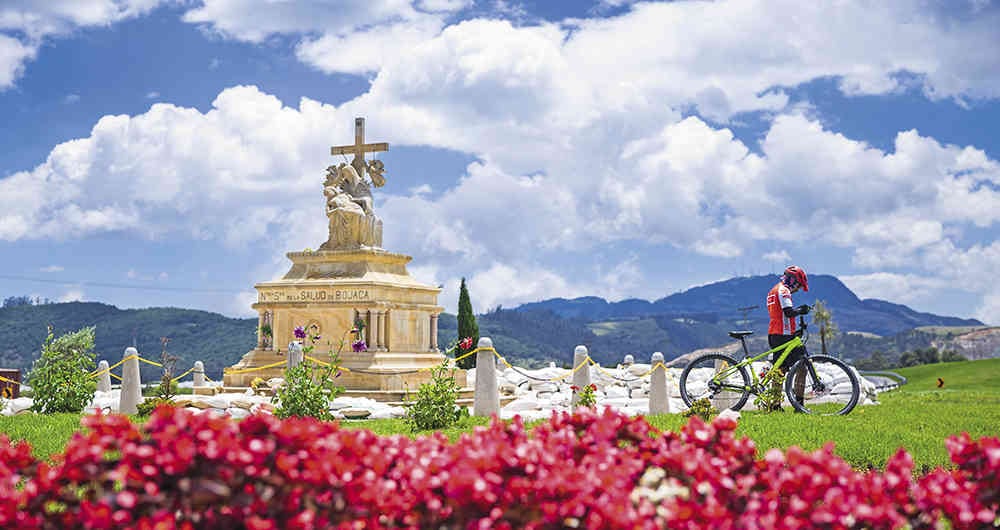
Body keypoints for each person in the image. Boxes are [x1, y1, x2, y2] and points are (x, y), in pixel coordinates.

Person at [766, 265, 811, 403]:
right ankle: (799, 403)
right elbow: (788, 312)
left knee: (780, 369)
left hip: (775, 333)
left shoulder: (773, 290)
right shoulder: (784, 291)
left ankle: (775, 404)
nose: (797, 289)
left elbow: (780, 315)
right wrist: (801, 310)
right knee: (803, 364)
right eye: (798, 285)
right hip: (783, 335)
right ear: (794, 281)